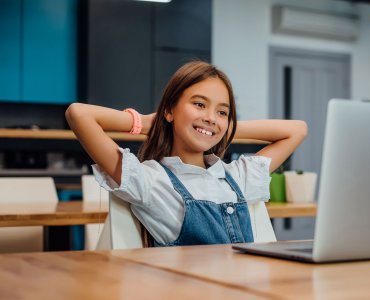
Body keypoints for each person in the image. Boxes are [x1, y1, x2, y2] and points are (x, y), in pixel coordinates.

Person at [66, 61, 308, 247]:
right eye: (199, 105)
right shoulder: (150, 182)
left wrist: (218, 128)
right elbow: (79, 114)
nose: (211, 116)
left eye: (222, 112)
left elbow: (297, 130)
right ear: (170, 110)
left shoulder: (236, 177)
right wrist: (152, 122)